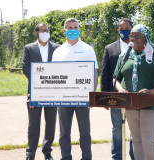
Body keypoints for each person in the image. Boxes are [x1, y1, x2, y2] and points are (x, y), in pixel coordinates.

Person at [113, 24, 154, 160]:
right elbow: (115, 78)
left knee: (149, 141)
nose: (132, 39)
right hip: (131, 103)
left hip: (151, 103)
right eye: (131, 36)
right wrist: (121, 90)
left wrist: (153, 91)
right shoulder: (125, 55)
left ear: (145, 38)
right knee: (136, 140)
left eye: (136, 36)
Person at [52, 18, 98, 160]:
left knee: (85, 132)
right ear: (64, 30)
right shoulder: (58, 51)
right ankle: (66, 157)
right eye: (69, 27)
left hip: (83, 98)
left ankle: (86, 157)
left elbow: (94, 72)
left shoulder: (88, 49)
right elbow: (53, 74)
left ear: (79, 29)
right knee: (64, 132)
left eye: (75, 27)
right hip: (63, 98)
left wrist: (92, 95)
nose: (73, 30)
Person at [22, 22, 60, 160]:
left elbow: (60, 68)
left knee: (51, 124)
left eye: (47, 30)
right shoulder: (29, 48)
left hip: (52, 92)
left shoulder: (57, 48)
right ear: (36, 32)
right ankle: (30, 154)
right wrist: (39, 84)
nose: (45, 32)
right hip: (35, 91)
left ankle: (47, 152)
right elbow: (25, 67)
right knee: (33, 124)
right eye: (42, 30)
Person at [100, 18, 135, 160]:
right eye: (121, 29)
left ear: (132, 30)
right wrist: (104, 96)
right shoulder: (110, 48)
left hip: (133, 94)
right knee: (117, 128)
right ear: (117, 30)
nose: (124, 32)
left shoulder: (138, 46)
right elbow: (105, 72)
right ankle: (117, 156)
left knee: (134, 128)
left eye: (127, 29)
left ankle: (134, 154)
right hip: (115, 95)